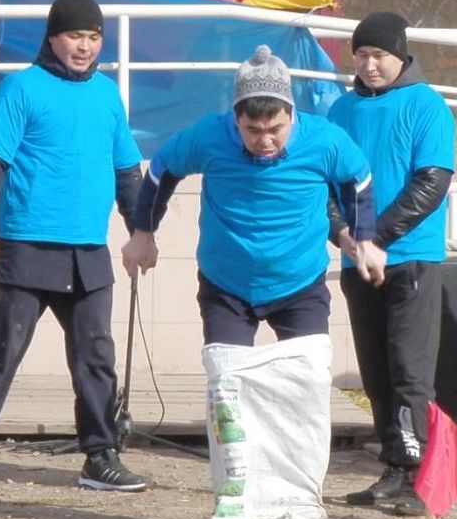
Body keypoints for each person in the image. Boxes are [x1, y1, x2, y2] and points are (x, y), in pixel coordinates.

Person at [0, 0, 149, 493]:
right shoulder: (21, 89)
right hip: (27, 244)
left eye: (94, 37)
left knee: (97, 355)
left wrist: (143, 233)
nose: (85, 46)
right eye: (76, 35)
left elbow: (128, 173)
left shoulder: (106, 95)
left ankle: (100, 454)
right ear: (53, 37)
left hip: (87, 251)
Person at [123, 45, 378, 344]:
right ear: (235, 119)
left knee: (306, 385)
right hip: (226, 283)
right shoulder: (208, 137)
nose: (265, 140)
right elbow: (161, 170)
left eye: (275, 129)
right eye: (253, 130)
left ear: (291, 114)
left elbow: (358, 179)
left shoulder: (324, 139)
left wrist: (363, 239)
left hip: (300, 282)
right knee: (228, 385)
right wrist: (143, 233)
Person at [325, 12, 456, 516]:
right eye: (361, 55)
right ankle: (395, 466)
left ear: (400, 56)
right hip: (359, 260)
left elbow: (431, 182)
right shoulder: (340, 111)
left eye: (378, 55)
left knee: (410, 371)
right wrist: (348, 238)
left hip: (412, 258)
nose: (370, 64)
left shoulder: (427, 106)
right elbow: (324, 183)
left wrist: (378, 236)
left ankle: (422, 474)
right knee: (375, 371)